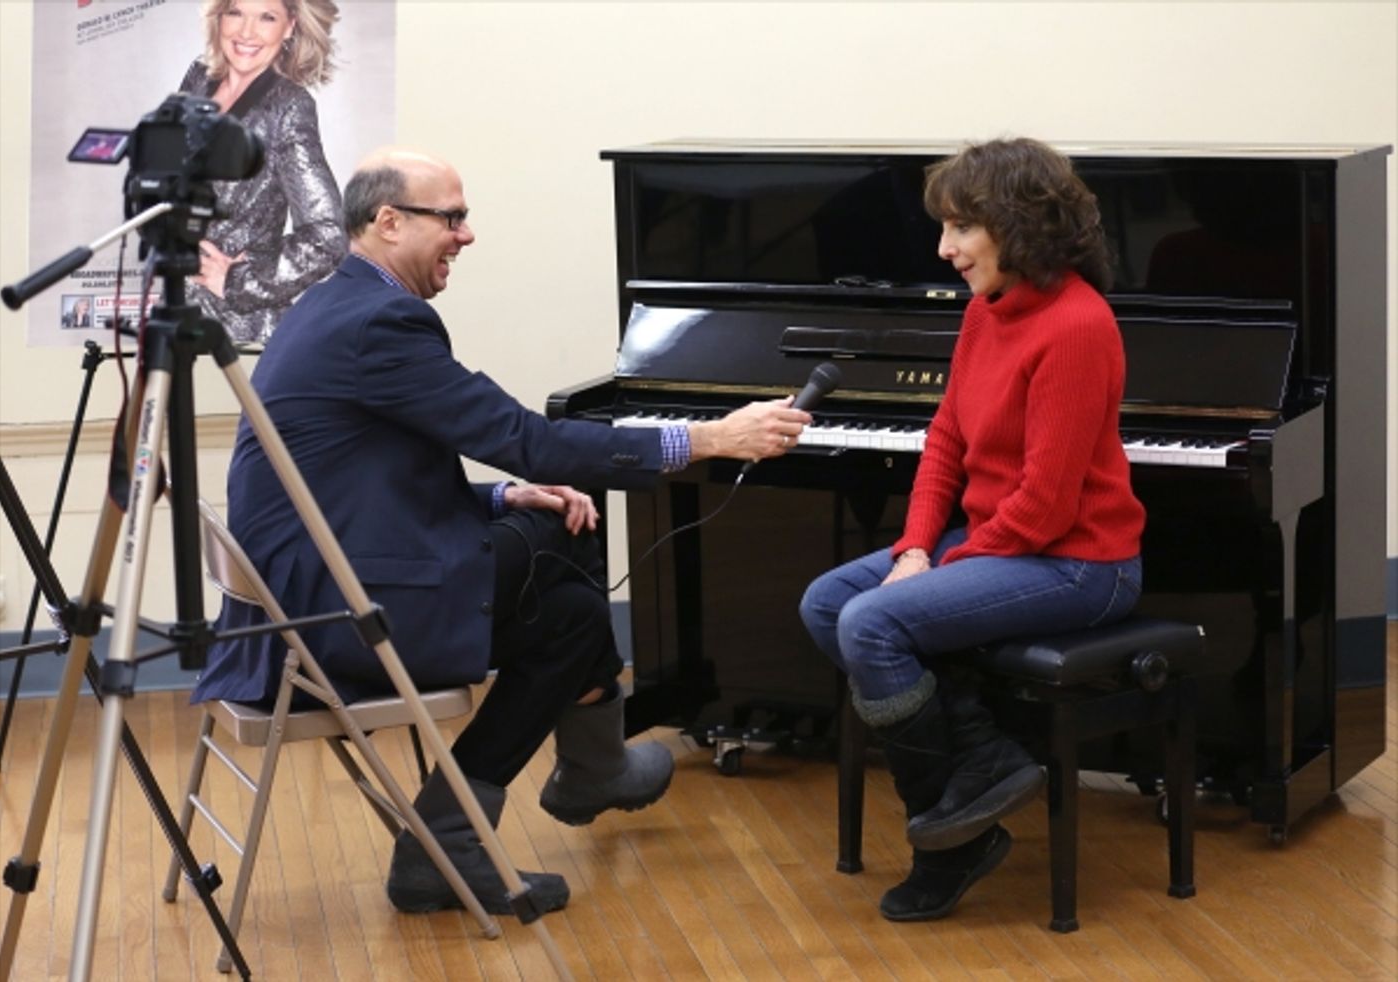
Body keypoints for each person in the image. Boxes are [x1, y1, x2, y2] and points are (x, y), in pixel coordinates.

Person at [192, 147, 812, 917]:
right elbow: (528, 439)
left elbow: (360, 480)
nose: (467, 234)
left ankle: (476, 829)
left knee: (569, 604)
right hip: (339, 616)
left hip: (299, 603)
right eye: (451, 217)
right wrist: (710, 438)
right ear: (389, 222)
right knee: (568, 547)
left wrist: (503, 497)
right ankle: (583, 769)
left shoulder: (331, 304)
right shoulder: (381, 321)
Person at [799, 137, 1146, 922]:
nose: (943, 248)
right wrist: (916, 547)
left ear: (1018, 224)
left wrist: (937, 570)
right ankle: (980, 755)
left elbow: (1046, 510)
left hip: (1082, 563)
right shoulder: (986, 311)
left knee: (871, 621)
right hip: (1006, 543)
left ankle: (945, 846)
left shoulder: (1077, 326)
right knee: (827, 604)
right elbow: (947, 442)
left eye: (961, 227)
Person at [180, 0, 347, 344]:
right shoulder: (199, 78)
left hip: (241, 330)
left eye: (267, 18)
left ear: (289, 26)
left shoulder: (288, 106)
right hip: (177, 312)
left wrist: (240, 281)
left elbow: (328, 235)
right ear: (219, 17)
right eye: (235, 13)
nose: (246, 32)